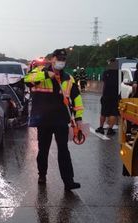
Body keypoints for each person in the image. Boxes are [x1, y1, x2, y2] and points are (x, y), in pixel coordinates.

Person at [25, 48, 84, 190]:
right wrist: (46, 75)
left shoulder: (69, 78)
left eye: (63, 60)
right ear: (52, 58)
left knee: (64, 150)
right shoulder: (39, 71)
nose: (60, 62)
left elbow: (76, 98)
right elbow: (27, 80)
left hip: (61, 119)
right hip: (43, 119)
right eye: (58, 59)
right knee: (43, 150)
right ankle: (42, 175)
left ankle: (68, 181)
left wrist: (78, 117)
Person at [96, 59, 119, 136]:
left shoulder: (106, 72)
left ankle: (101, 128)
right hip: (115, 95)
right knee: (113, 113)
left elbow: (104, 81)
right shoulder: (120, 73)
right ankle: (110, 129)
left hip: (106, 95)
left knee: (103, 113)